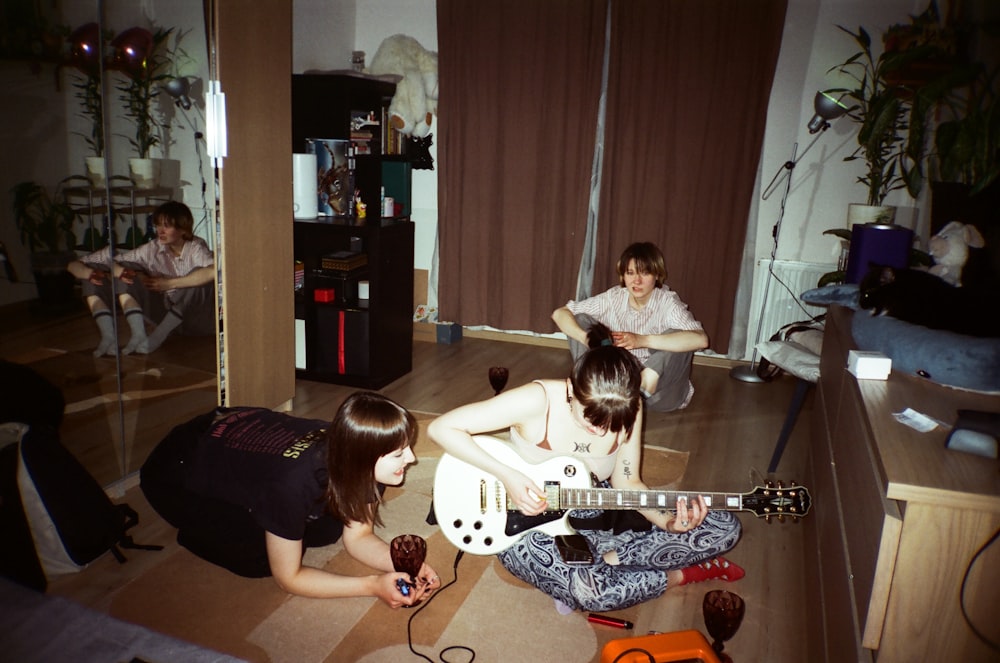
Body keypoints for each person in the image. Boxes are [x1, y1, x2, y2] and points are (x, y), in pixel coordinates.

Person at [427, 325, 742, 613]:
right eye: (590, 417)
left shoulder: (630, 405)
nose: (601, 429)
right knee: (593, 593)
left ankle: (606, 561)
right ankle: (679, 574)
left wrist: (669, 522)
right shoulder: (537, 399)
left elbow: (628, 482)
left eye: (611, 422)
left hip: (595, 511)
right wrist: (508, 475)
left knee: (725, 527)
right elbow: (442, 428)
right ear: (570, 389)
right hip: (526, 526)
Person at [140, 392, 441, 607]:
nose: (412, 459)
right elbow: (290, 578)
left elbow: (358, 536)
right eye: (399, 453)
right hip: (174, 472)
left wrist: (406, 565)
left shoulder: (354, 454)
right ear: (362, 458)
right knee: (260, 559)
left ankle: (261, 509)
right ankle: (198, 532)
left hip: (239, 424)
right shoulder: (291, 485)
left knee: (328, 528)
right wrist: (371, 585)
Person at [552, 241, 708, 412]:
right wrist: (588, 339)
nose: (637, 280)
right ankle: (591, 385)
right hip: (618, 387)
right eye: (630, 273)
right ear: (623, 276)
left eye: (645, 273)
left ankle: (644, 384)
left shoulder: (668, 303)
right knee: (579, 319)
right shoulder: (613, 298)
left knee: (680, 334)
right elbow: (560, 313)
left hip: (659, 395)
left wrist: (643, 340)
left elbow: (701, 339)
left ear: (657, 275)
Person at [67, 201, 215, 357]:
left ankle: (157, 337)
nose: (160, 231)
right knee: (121, 271)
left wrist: (169, 284)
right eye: (158, 225)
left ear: (183, 228)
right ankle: (128, 336)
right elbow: (100, 262)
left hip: (198, 320)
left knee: (199, 276)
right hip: (167, 316)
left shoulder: (196, 246)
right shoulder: (153, 248)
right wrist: (98, 272)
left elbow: (213, 271)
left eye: (166, 226)